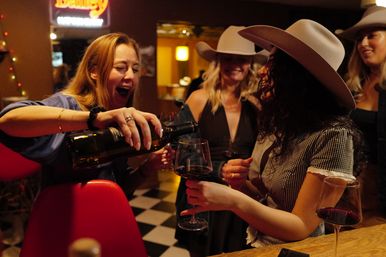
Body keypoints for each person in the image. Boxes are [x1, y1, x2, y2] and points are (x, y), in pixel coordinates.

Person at [181, 19, 363, 248]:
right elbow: (265, 197)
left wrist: (233, 200)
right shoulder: (280, 123)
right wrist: (241, 185)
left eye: (273, 64)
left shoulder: (334, 136)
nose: (264, 71)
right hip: (256, 243)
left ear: (296, 77)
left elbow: (300, 226)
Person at [0, 33, 169, 197]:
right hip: (63, 221)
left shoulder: (120, 119)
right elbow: (8, 120)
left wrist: (149, 166)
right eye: (120, 68)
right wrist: (94, 119)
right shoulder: (69, 104)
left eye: (136, 69)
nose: (131, 76)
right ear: (94, 71)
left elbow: (117, 188)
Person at [173, 25, 265, 257]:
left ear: (250, 64)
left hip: (242, 200)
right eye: (228, 58)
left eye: (241, 59)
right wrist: (220, 170)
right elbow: (182, 153)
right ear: (218, 61)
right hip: (203, 197)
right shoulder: (198, 99)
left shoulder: (256, 106)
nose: (235, 64)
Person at [338, 5, 386, 225]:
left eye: (371, 36)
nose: (363, 44)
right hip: (349, 190)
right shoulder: (353, 86)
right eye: (359, 38)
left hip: (380, 199)